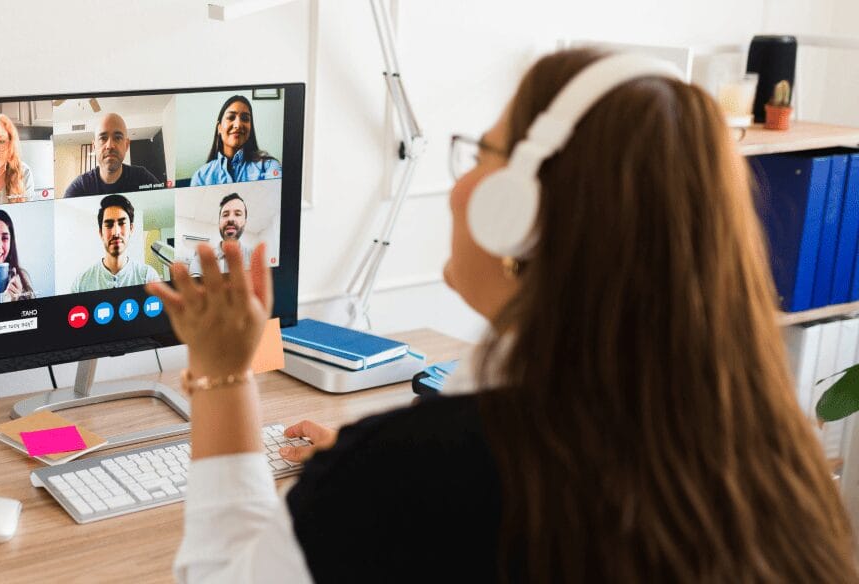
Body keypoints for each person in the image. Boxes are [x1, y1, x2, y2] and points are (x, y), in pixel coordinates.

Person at [146, 49, 859, 583]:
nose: (459, 187)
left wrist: (223, 374)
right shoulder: (771, 455)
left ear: (519, 212)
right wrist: (390, 450)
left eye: (480, 155)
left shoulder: (402, 476)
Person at [71, 194, 161, 293]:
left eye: (122, 223)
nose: (116, 232)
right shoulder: (81, 283)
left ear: (131, 229)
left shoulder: (148, 276)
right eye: (109, 225)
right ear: (101, 232)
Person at [190, 95, 281, 186]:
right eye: (231, 117)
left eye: (245, 119)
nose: (238, 125)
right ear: (219, 127)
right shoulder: (201, 177)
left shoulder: (269, 167)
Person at [64, 113, 160, 197]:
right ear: (94, 146)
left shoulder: (143, 178)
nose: (109, 146)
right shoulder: (79, 188)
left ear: (126, 145)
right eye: (103, 138)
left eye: (117, 138)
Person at [187, 193, 252, 277]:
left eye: (237, 214)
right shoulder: (201, 258)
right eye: (225, 215)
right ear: (219, 222)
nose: (230, 219)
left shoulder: (254, 256)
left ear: (245, 222)